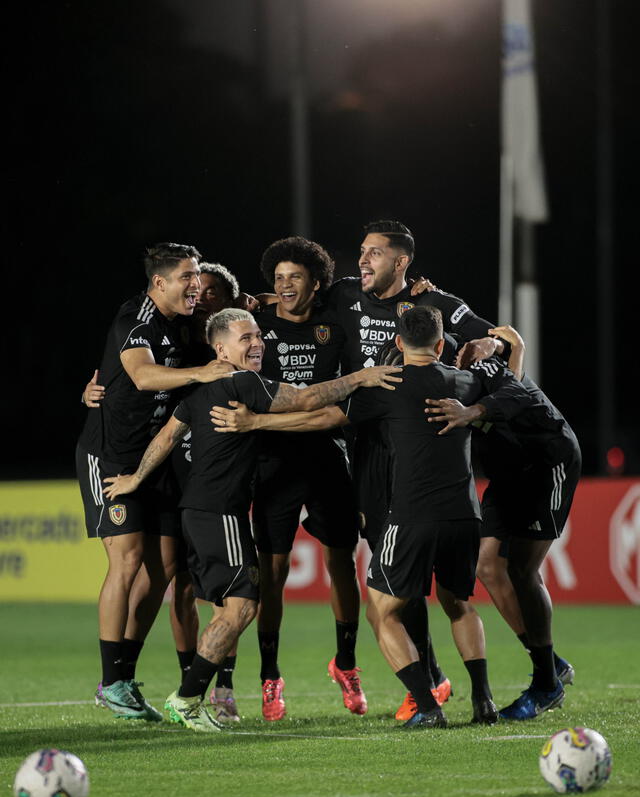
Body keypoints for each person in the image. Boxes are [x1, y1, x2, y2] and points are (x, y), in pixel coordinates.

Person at [210, 306, 536, 727]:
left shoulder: (388, 384)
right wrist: (506, 363)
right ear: (441, 345)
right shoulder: (466, 382)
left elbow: (321, 415)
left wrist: (256, 421)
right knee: (460, 605)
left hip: (411, 517)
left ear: (398, 344)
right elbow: (515, 390)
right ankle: (484, 701)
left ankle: (427, 705)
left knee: (382, 612)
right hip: (464, 516)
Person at [103, 308, 401, 731]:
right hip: (218, 513)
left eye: (258, 334)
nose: (258, 342)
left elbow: (168, 436)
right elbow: (306, 398)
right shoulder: (243, 382)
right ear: (221, 349)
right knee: (242, 608)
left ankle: (193, 696)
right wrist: (361, 378)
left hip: (202, 514)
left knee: (231, 607)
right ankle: (187, 698)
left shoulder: (200, 391)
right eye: (246, 338)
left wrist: (136, 477)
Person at [323, 220, 509, 717]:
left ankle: (424, 692)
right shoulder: (343, 295)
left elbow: (496, 338)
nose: (362, 261)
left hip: (405, 461)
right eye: (361, 252)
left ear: (401, 262)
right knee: (432, 593)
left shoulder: (438, 305)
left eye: (375, 253)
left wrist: (260, 416)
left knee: (387, 595)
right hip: (376, 459)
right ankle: (447, 685)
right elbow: (505, 362)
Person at [76, 242, 232, 721]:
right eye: (187, 276)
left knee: (163, 569)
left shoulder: (184, 321)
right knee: (125, 562)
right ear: (160, 282)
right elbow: (143, 376)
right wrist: (203, 371)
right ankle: (111, 681)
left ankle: (125, 672)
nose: (196, 285)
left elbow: (239, 307)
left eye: (198, 276)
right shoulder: (136, 319)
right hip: (110, 456)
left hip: (155, 460)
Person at [426, 324, 581, 720]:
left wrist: (472, 410)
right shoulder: (433, 378)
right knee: (488, 565)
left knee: (523, 571)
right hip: (509, 470)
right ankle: (549, 663)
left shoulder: (477, 370)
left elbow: (519, 391)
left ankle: (546, 684)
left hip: (547, 461)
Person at [252, 236, 366, 720]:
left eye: (294, 277)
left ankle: (346, 664)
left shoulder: (336, 327)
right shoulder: (255, 327)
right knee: (272, 574)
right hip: (274, 466)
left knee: (341, 563)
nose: (284, 286)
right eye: (278, 279)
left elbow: (342, 410)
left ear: (315, 282)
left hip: (328, 461)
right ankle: (270, 677)